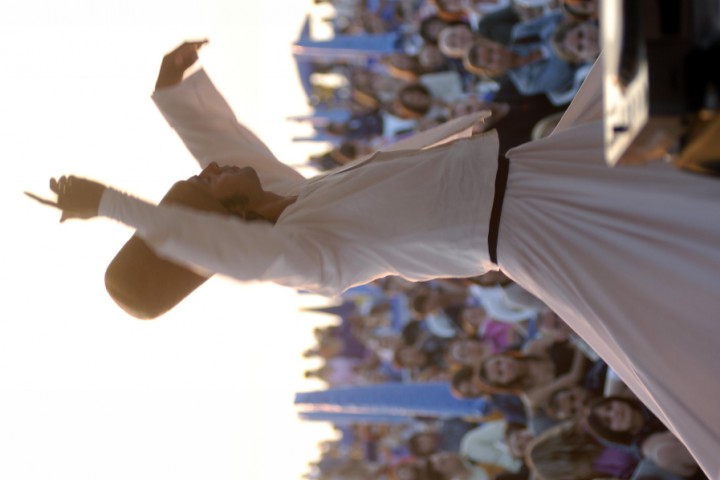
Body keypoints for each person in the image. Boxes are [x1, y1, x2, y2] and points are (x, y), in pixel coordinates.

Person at [31, 40, 720, 478]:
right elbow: (227, 250)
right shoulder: (304, 253)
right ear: (218, 218)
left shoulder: (295, 201)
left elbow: (234, 158)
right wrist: (111, 206)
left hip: (541, 174)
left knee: (659, 49)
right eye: (206, 185)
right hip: (550, 221)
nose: (214, 169)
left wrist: (177, 94)